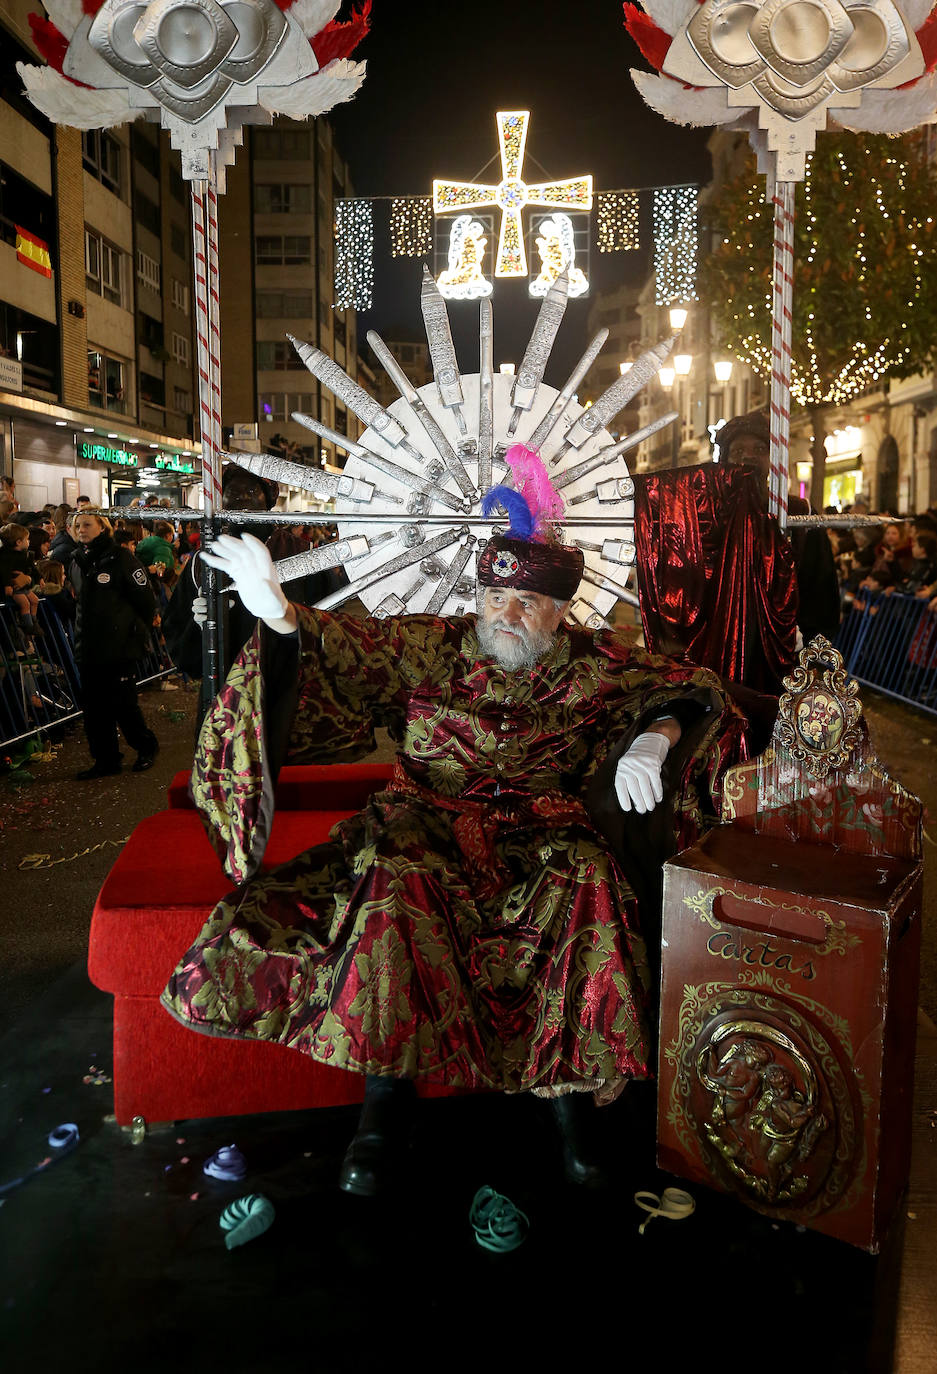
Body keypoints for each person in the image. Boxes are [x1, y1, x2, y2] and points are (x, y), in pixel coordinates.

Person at [162, 474, 748, 1197]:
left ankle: (568, 1105)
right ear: (476, 598)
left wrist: (653, 738)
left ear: (561, 611)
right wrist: (279, 614)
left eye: (528, 601)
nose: (506, 613)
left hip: (541, 827)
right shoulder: (430, 647)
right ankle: (384, 1103)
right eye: (495, 597)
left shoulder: (598, 664)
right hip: (423, 817)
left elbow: (692, 687)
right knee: (396, 876)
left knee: (585, 880)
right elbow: (347, 647)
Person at [716, 410, 841, 647]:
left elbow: (820, 586)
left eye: (760, 449)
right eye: (738, 451)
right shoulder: (711, 512)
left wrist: (814, 645)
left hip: (786, 645)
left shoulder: (799, 511)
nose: (748, 457)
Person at [68, 510, 160, 779]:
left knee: (123, 705)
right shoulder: (76, 561)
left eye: (87, 524)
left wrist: (134, 633)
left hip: (119, 647)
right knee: (94, 710)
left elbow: (145, 600)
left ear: (102, 527)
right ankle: (106, 760)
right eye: (77, 525)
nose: (81, 529)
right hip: (89, 648)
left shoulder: (121, 558)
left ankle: (145, 747)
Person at [0, 521, 41, 640]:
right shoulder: (5, 556)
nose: (29, 542)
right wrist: (8, 585)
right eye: (27, 539)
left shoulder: (26, 554)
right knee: (25, 603)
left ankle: (34, 622)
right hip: (15, 588)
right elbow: (5, 572)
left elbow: (32, 569)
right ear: (18, 542)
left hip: (24, 586)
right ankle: (28, 625)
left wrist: (35, 579)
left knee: (34, 600)